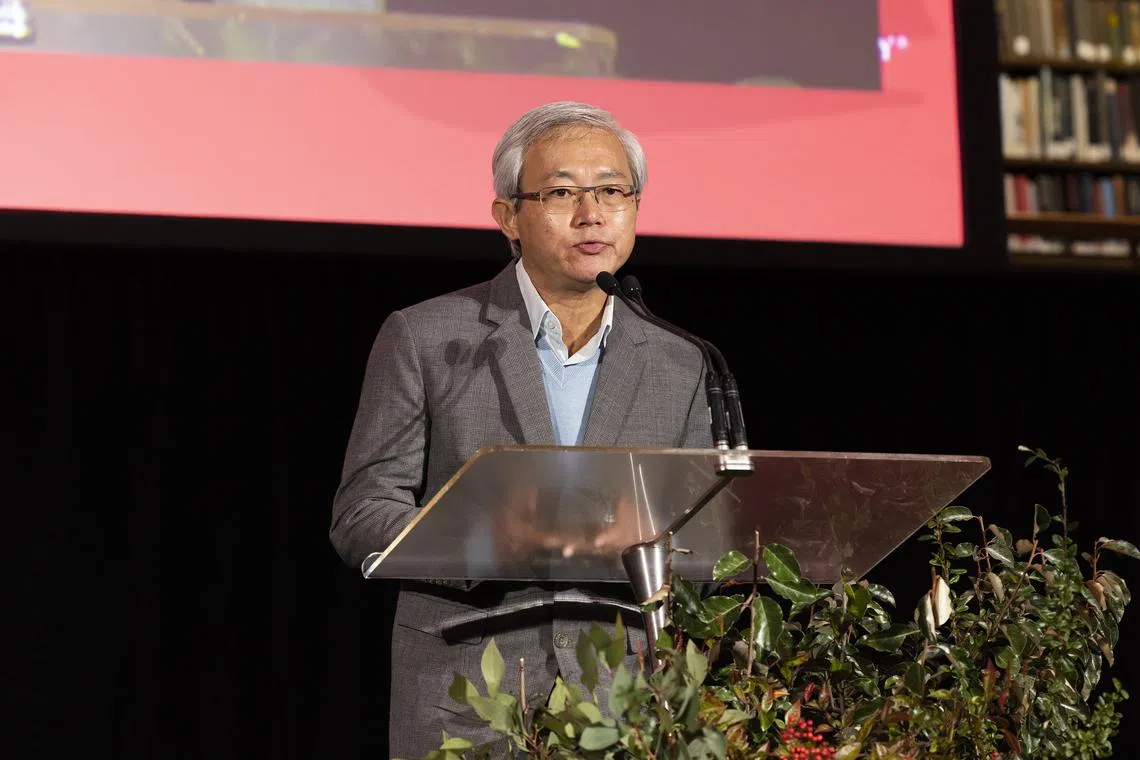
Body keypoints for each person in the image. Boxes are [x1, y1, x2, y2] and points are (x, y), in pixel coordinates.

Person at [329, 100, 712, 758]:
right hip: (468, 696)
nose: (592, 213)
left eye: (613, 191)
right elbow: (362, 511)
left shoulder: (680, 359)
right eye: (562, 191)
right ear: (508, 216)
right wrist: (480, 538)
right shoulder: (425, 337)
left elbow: (707, 528)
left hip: (625, 697)